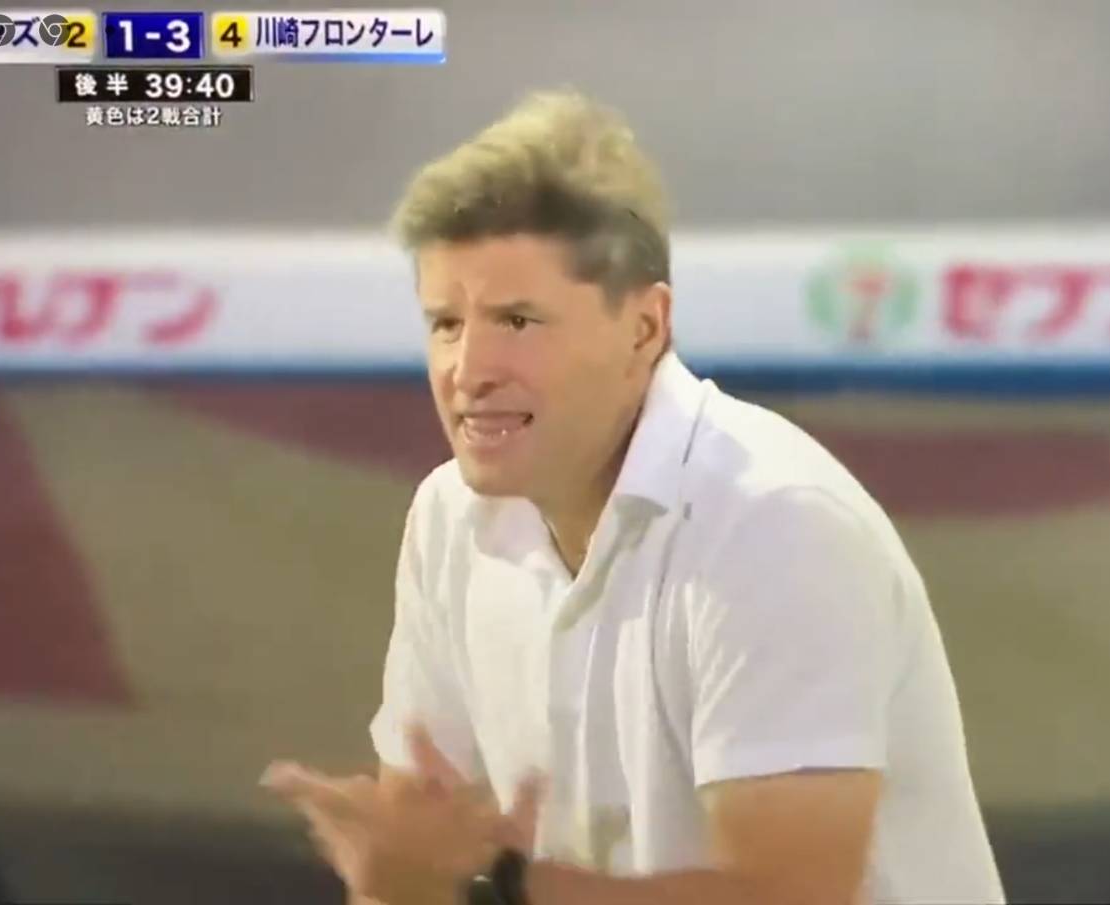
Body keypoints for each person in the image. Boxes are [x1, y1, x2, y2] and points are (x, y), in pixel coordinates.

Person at [263, 88, 1005, 905]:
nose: (467, 370)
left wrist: (489, 888)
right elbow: (418, 862)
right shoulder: (448, 518)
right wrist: (404, 878)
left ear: (646, 328)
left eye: (517, 320)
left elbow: (787, 897)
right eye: (445, 323)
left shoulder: (773, 523)